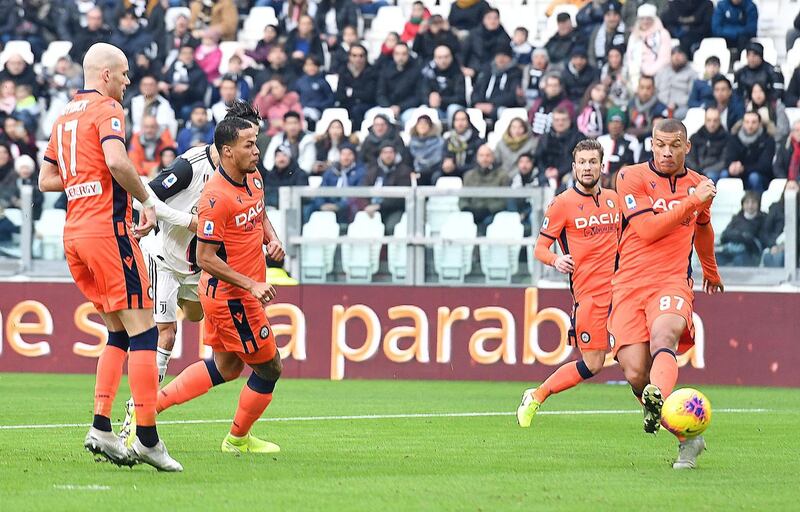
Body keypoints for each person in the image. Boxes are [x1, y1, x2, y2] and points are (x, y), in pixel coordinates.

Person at [37, 42, 181, 471]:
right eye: (123, 74)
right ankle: (148, 439)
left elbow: (47, 178)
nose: (127, 81)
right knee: (145, 333)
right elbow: (117, 161)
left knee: (118, 331)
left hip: (75, 235)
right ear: (105, 76)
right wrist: (147, 201)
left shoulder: (63, 115)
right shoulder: (107, 110)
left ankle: (101, 425)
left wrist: (82, 180)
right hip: (108, 232)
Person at [147, 115, 285, 454]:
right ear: (227, 151)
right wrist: (251, 285)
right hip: (232, 297)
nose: (256, 151)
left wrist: (271, 237)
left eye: (256, 143)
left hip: (236, 293)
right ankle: (237, 439)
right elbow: (206, 258)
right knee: (270, 367)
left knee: (227, 366)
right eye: (248, 145)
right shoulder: (215, 198)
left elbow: (260, 211)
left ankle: (146, 410)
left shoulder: (253, 177)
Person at [610, 118, 722, 469]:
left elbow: (703, 230)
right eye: (660, 144)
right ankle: (688, 436)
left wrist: (711, 271)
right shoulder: (630, 177)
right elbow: (646, 229)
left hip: (672, 280)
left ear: (687, 147)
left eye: (675, 145)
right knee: (633, 373)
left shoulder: (699, 184)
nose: (667, 151)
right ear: (651, 145)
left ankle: (664, 409)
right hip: (628, 285)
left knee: (666, 334)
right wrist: (692, 202)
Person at [517, 138, 620, 427]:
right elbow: (540, 248)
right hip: (590, 297)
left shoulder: (616, 200)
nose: (588, 168)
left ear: (602, 165)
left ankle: (657, 413)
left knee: (635, 354)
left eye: (593, 162)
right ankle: (536, 396)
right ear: (574, 167)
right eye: (582, 163)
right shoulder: (562, 204)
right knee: (593, 364)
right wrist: (556, 260)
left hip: (624, 293)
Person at [360, 142, 414, 234]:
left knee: (390, 228)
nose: (388, 155)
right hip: (372, 208)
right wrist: (367, 205)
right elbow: (363, 189)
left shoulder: (404, 171)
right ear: (380, 155)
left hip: (394, 209)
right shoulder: (372, 170)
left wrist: (380, 206)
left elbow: (401, 197)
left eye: (390, 152)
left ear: (395, 154)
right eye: (385, 152)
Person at [309, 143, 365, 222]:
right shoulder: (330, 172)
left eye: (349, 154)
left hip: (346, 206)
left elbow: (358, 195)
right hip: (328, 204)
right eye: (343, 154)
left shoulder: (360, 172)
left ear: (354, 156)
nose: (346, 157)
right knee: (309, 208)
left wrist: (339, 206)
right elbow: (321, 190)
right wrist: (322, 205)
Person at [460, 144, 511, 229]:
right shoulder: (468, 175)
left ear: (493, 157)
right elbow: (463, 199)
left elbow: (504, 200)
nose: (484, 159)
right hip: (472, 213)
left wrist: (489, 210)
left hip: (492, 214)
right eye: (481, 155)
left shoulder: (502, 176)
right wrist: (467, 209)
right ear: (477, 157)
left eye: (487, 155)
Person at [722, 111, 775, 192]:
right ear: (743, 123)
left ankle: (756, 202)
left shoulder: (767, 140)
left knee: (754, 177)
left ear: (759, 123)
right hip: (738, 174)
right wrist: (732, 166)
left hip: (760, 176)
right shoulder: (734, 138)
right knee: (724, 174)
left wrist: (743, 169)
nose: (750, 126)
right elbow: (728, 158)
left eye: (754, 122)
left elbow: (765, 166)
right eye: (747, 122)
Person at [471, 45, 522, 122]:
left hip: (502, 108)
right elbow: (476, 90)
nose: (501, 59)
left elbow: (512, 96)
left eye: (504, 56)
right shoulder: (487, 71)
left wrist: (492, 105)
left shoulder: (515, 73)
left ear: (510, 58)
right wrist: (477, 103)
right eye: (498, 56)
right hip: (482, 106)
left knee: (502, 112)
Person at [625, 4, 671, 88]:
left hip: (658, 74)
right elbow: (629, 56)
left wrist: (648, 72)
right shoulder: (634, 36)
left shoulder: (663, 34)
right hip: (636, 73)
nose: (645, 21)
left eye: (648, 19)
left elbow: (665, 58)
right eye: (642, 19)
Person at [534, 108, 584, 186]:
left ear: (569, 120)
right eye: (557, 120)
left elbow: (578, 159)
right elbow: (539, 158)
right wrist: (546, 171)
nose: (560, 123)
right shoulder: (545, 138)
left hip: (569, 173)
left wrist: (558, 171)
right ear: (552, 121)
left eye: (563, 120)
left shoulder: (578, 137)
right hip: (546, 174)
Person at [160, 44, 209, 121]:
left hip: (189, 102)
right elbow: (165, 82)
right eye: (184, 53)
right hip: (171, 100)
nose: (187, 56)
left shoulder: (198, 72)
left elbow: (201, 92)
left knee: (185, 110)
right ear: (179, 55)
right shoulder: (172, 69)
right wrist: (162, 85)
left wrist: (187, 88)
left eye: (190, 53)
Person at [419, 45, 466, 124]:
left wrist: (441, 100)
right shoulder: (428, 73)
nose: (443, 60)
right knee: (425, 110)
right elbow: (422, 94)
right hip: (435, 108)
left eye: (446, 57)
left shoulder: (458, 72)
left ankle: (453, 135)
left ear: (451, 57)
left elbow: (461, 97)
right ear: (434, 58)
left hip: (454, 107)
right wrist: (429, 100)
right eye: (439, 57)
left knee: (453, 109)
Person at [716, 191, 766, 266]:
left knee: (739, 260)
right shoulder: (737, 218)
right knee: (717, 258)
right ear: (742, 204)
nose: (750, 205)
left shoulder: (763, 219)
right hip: (732, 249)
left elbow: (758, 240)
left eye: (753, 202)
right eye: (747, 202)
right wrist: (740, 236)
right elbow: (725, 235)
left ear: (758, 204)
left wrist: (741, 237)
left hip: (750, 253)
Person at [376, 43, 421, 123]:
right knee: (371, 115)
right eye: (397, 54)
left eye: (404, 54)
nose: (400, 57)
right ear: (393, 55)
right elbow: (380, 93)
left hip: (408, 108)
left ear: (408, 54)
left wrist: (400, 107)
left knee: (409, 118)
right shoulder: (386, 69)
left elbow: (417, 96)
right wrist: (389, 107)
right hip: (387, 107)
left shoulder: (416, 70)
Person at [461, 8, 511, 79]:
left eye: (495, 18)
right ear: (483, 19)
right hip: (473, 71)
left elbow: (505, 57)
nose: (492, 21)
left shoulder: (504, 37)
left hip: (494, 73)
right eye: (489, 18)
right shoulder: (474, 34)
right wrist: (463, 68)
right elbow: (463, 53)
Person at [335, 44, 376, 128]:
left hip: (367, 105)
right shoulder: (343, 71)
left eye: (361, 56)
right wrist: (357, 93)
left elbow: (369, 95)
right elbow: (340, 94)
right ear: (349, 57)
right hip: (347, 104)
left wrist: (351, 92)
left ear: (365, 57)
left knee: (357, 110)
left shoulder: (372, 72)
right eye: (354, 55)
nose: (358, 59)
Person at [761, 180, 799, 267]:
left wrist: (787, 246)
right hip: (775, 245)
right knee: (771, 257)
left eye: (794, 188)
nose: (791, 191)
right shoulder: (775, 208)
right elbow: (765, 232)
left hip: (796, 246)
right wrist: (773, 245)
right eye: (789, 188)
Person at [597, 107, 640, 188]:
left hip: (621, 176)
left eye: (618, 122)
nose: (615, 125)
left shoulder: (632, 141)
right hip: (601, 175)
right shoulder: (600, 140)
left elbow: (635, 164)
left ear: (623, 124)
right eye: (612, 122)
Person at [440, 109, 485, 181]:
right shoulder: (449, 140)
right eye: (457, 120)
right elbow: (444, 159)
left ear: (468, 122)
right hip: (452, 174)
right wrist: (446, 165)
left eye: (463, 120)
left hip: (471, 175)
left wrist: (455, 168)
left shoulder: (478, 141)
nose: (460, 123)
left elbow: (477, 165)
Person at [687, 107, 730, 182]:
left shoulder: (726, 138)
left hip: (714, 172)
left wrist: (704, 172)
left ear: (719, 121)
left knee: (713, 175)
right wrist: (696, 170)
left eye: (715, 120)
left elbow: (724, 161)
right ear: (705, 121)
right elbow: (688, 157)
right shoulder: (696, 137)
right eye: (709, 120)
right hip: (696, 171)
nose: (712, 124)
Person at [654, 47, 697, 120]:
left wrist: (676, 104)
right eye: (673, 53)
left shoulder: (692, 74)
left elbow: (692, 96)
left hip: (681, 107)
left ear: (686, 56)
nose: (676, 56)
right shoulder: (663, 70)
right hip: (661, 104)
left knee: (679, 115)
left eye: (680, 53)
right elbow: (655, 89)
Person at [293, 56, 334, 130]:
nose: (311, 67)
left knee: (310, 118)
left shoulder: (323, 82)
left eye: (313, 65)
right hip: (302, 110)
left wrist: (319, 106)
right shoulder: (300, 82)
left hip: (317, 111)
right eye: (308, 65)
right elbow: (295, 97)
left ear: (318, 67)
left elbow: (330, 99)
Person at [528, 73, 575, 137]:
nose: (553, 88)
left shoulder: (567, 105)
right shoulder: (538, 102)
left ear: (560, 87)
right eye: (550, 85)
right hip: (535, 137)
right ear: (545, 87)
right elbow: (531, 119)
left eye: (555, 85)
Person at [627, 75, 669, 142]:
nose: (645, 92)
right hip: (629, 140)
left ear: (653, 89)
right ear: (637, 88)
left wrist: (639, 134)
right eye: (642, 87)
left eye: (648, 88)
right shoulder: (631, 104)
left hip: (649, 142)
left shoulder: (661, 109)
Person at [587, 1, 627, 68]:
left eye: (615, 14)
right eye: (608, 15)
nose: (612, 18)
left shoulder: (626, 31)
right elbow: (591, 54)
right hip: (599, 69)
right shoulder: (597, 31)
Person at [408, 115, 444, 185]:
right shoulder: (411, 144)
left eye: (425, 123)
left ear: (430, 127)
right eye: (420, 123)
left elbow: (441, 160)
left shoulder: (439, 142)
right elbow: (408, 161)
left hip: (435, 171)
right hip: (417, 173)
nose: (422, 126)